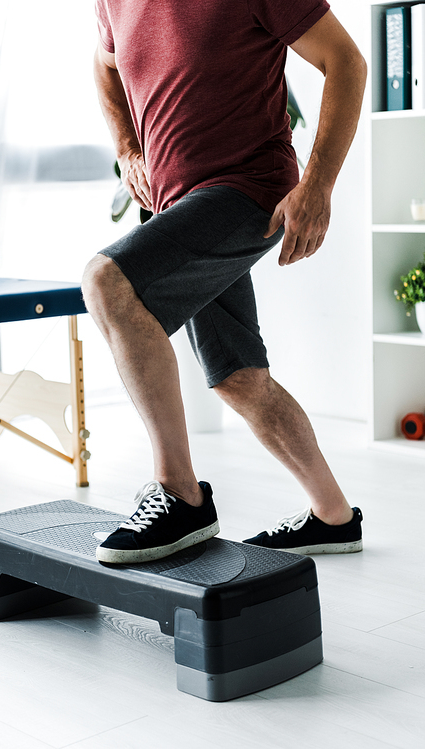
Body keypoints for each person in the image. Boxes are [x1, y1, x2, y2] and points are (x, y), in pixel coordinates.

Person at [82, 0, 367, 564]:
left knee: (108, 281)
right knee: (239, 378)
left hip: (248, 190)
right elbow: (104, 63)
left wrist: (318, 188)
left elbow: (347, 62)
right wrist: (127, 147)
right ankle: (333, 517)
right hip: (180, 207)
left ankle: (179, 494)